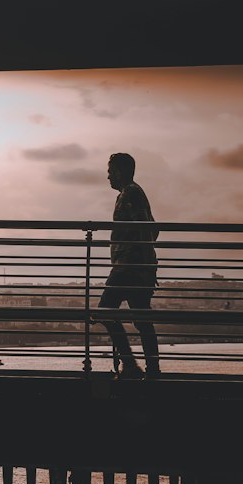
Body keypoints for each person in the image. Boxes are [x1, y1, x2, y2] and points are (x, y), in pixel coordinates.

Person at [98, 151, 160, 380]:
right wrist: (148, 265)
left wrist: (143, 263)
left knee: (105, 310)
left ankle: (131, 365)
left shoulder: (131, 193)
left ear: (120, 172)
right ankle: (151, 371)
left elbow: (145, 227)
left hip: (128, 266)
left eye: (110, 172)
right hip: (138, 265)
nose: (108, 177)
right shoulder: (131, 192)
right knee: (142, 319)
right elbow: (153, 228)